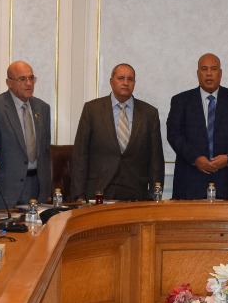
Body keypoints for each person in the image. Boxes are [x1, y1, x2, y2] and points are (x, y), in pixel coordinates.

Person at [166, 53, 228, 200]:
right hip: (190, 182)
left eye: (213, 69)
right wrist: (195, 158)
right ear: (198, 73)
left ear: (220, 73)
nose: (209, 73)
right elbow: (174, 134)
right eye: (204, 69)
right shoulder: (180, 101)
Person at [70, 63, 164, 201]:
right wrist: (79, 195)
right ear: (111, 81)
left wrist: (155, 196)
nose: (125, 83)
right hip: (99, 190)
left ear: (134, 83)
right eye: (121, 78)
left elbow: (156, 160)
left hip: (136, 192)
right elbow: (80, 154)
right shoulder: (92, 110)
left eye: (130, 79)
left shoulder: (149, 114)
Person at [0, 61, 52, 212]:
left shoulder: (43, 108)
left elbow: (45, 150)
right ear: (9, 82)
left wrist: (46, 188)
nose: (29, 83)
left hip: (37, 187)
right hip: (6, 188)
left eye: (31, 78)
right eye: (22, 79)